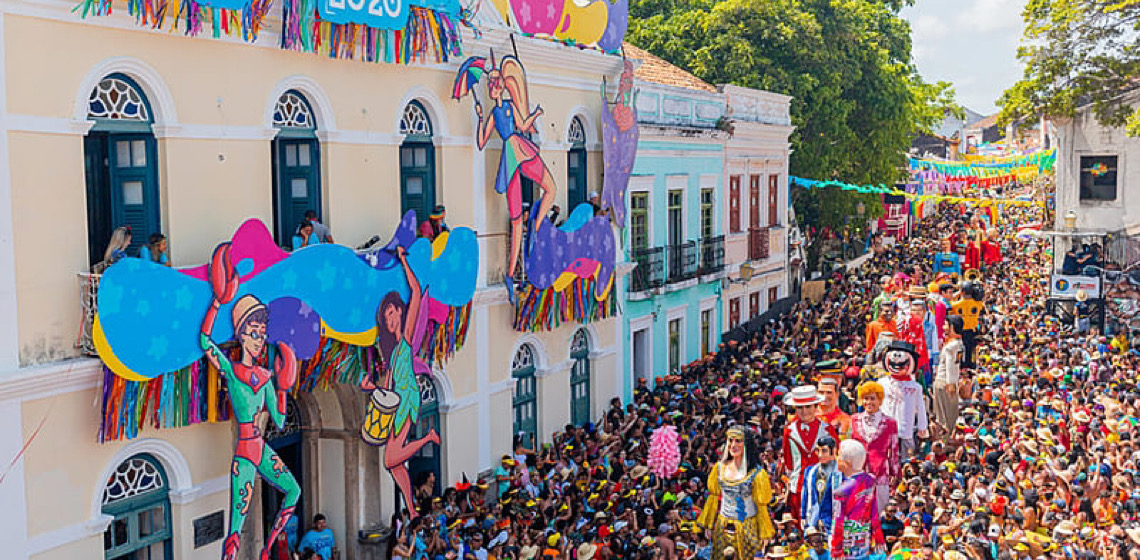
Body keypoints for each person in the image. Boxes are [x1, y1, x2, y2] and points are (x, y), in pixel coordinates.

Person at [200, 243, 300, 560]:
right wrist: (217, 303)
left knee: (294, 491)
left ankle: (268, 549)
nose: (259, 339)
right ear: (241, 335)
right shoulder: (231, 370)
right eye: (253, 332)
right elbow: (205, 341)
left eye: (262, 333)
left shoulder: (267, 377)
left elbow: (281, 422)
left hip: (261, 447)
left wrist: (283, 388)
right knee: (235, 529)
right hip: (244, 453)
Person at [361, 245, 441, 515]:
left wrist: (404, 261)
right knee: (394, 464)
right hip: (394, 399)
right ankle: (411, 506)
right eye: (386, 317)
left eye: (393, 313)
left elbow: (416, 293)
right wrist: (372, 388)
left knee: (390, 458)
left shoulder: (406, 338)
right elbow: (386, 381)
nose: (390, 319)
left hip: (407, 398)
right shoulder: (386, 349)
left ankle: (428, 437)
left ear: (399, 310)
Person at [473, 52, 558, 293]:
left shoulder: (507, 106)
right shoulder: (497, 112)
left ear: (501, 87)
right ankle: (512, 270)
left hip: (514, 154)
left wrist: (536, 115)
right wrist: (480, 119)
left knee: (544, 195)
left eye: (495, 82)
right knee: (519, 216)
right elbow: (482, 141)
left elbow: (520, 126)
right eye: (491, 83)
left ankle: (535, 231)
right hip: (516, 152)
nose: (493, 86)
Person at [697, 425, 775, 560]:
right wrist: (708, 524)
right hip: (723, 526)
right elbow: (713, 497)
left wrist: (764, 533)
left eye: (738, 441)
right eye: (730, 440)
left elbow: (761, 506)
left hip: (748, 527)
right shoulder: (719, 468)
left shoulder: (757, 473)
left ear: (747, 444)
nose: (733, 445)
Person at [781, 386, 839, 520]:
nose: (804, 411)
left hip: (824, 482)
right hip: (799, 484)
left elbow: (835, 455)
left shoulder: (827, 429)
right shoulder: (789, 431)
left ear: (815, 406)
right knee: (801, 521)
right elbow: (788, 461)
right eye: (800, 407)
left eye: (808, 407)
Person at [830, 440, 885, 560]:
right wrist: (878, 535)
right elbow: (874, 510)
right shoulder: (870, 480)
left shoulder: (842, 489)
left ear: (847, 463)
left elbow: (838, 520)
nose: (836, 458)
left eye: (838, 455)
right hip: (863, 535)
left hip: (846, 541)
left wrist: (836, 550)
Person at [850, 381, 899, 511]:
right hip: (858, 472)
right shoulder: (854, 420)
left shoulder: (890, 423)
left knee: (880, 511)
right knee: (859, 511)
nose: (868, 402)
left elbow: (894, 450)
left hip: (881, 473)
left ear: (880, 400)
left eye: (873, 398)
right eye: (865, 398)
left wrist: (895, 473)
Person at [877, 341, 927, 463]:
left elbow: (921, 407)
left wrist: (922, 426)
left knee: (906, 461)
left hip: (906, 430)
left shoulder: (915, 386)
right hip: (885, 429)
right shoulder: (882, 383)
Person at [801, 436, 843, 538]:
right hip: (812, 519)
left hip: (831, 522)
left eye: (824, 451)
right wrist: (803, 515)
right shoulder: (810, 471)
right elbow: (805, 494)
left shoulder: (841, 473)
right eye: (817, 451)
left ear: (833, 451)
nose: (820, 455)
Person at [932, 316, 964, 440]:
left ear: (952, 327)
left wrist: (950, 384)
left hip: (945, 382)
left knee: (944, 416)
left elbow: (951, 365)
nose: (943, 327)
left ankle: (943, 441)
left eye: (945, 325)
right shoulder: (956, 343)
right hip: (948, 381)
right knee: (948, 415)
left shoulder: (951, 346)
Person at [951, 283, 983, 368]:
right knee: (971, 349)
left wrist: (958, 293)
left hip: (962, 330)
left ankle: (962, 367)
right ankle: (972, 366)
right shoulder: (978, 304)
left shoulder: (956, 305)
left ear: (962, 292)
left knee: (962, 349)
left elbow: (948, 301)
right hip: (973, 330)